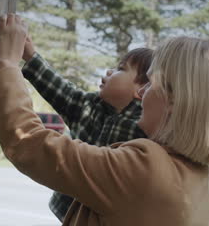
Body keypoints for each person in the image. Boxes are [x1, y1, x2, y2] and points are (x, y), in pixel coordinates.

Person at [0, 14, 209, 225]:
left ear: (176, 98)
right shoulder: (208, 188)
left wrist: (7, 65)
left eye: (151, 84)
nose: (142, 94)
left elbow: (31, 147)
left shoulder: (146, 171)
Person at [21, 33, 153, 221]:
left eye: (120, 69)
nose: (109, 71)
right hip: (70, 213)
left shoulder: (146, 125)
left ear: (142, 90)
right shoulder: (91, 107)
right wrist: (29, 55)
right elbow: (61, 91)